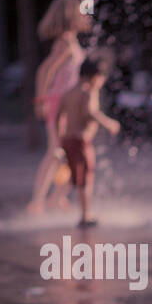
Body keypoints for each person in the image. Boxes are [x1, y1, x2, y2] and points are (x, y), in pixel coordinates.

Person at [28, 0, 91, 216]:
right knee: (56, 151)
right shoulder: (64, 43)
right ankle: (37, 201)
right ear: (71, 15)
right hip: (59, 105)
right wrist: (40, 100)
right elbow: (44, 71)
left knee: (71, 152)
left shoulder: (70, 41)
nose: (86, 15)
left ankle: (57, 196)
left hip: (69, 105)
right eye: (82, 11)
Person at [56, 57, 120, 228]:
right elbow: (90, 112)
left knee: (76, 176)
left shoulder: (68, 93)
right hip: (81, 141)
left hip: (68, 139)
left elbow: (58, 116)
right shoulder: (88, 92)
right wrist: (109, 123)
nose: (102, 82)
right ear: (93, 77)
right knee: (86, 178)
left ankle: (61, 201)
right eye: (101, 78)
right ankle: (85, 215)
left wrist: (59, 138)